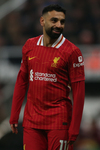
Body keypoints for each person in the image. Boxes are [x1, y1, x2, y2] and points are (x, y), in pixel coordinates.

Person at [9, 4, 85, 150]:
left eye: (62, 22)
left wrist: (74, 129)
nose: (59, 25)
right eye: (54, 20)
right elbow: (21, 81)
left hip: (59, 121)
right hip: (32, 121)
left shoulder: (72, 52)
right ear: (42, 21)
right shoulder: (29, 45)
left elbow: (79, 93)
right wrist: (14, 114)